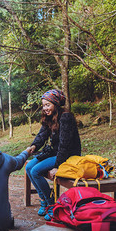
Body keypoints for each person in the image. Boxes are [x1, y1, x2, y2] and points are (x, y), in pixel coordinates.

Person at [25, 89, 81, 221]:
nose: (45, 108)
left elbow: (65, 144)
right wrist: (34, 146)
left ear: (55, 104)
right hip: (55, 152)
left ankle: (52, 204)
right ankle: (44, 199)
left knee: (35, 171)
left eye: (47, 105)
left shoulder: (65, 117)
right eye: (43, 105)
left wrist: (58, 166)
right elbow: (42, 134)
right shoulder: (49, 117)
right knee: (28, 167)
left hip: (68, 154)